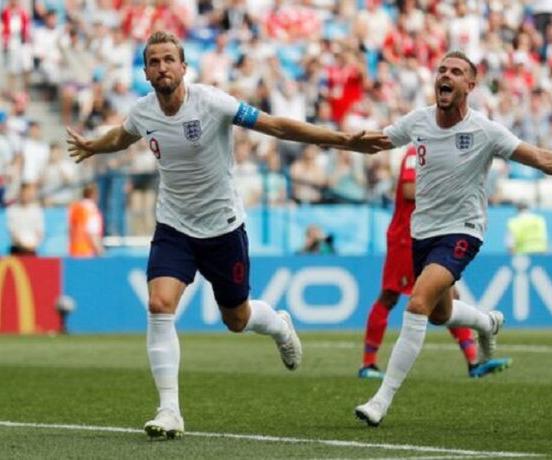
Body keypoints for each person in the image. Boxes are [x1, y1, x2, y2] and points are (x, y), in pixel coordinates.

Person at [66, 31, 389, 440]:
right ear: (145, 72)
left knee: (236, 319)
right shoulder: (144, 111)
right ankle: (169, 409)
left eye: (169, 59)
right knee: (159, 304)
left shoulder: (212, 102)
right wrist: (94, 146)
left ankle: (279, 326)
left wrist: (343, 141)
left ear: (184, 67)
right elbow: (122, 134)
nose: (162, 67)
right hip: (174, 227)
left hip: (223, 228)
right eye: (154, 62)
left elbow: (277, 127)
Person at [353, 51, 552, 427]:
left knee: (416, 304)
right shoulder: (418, 121)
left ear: (470, 85)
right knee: (439, 314)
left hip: (463, 230)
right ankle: (485, 322)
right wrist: (331, 139)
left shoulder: (485, 131)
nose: (446, 75)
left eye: (456, 71)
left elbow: (542, 159)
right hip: (422, 233)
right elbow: (374, 141)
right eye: (442, 69)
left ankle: (380, 400)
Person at [360, 146, 511, 380]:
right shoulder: (416, 153)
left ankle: (474, 362)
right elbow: (409, 190)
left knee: (451, 296)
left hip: (430, 236)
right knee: (390, 296)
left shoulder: (443, 153)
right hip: (406, 238)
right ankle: (368, 364)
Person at [6, 182, 44, 256]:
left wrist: (32, 245)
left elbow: (40, 232)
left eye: (28, 194)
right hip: (17, 250)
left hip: (32, 250)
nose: (26, 196)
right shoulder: (12, 210)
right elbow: (12, 231)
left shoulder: (37, 211)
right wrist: (22, 245)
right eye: (24, 193)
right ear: (20, 193)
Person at [68, 183, 104, 257]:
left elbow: (70, 230)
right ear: (93, 195)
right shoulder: (91, 209)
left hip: (74, 251)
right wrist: (100, 251)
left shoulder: (75, 207)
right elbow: (92, 232)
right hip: (87, 251)